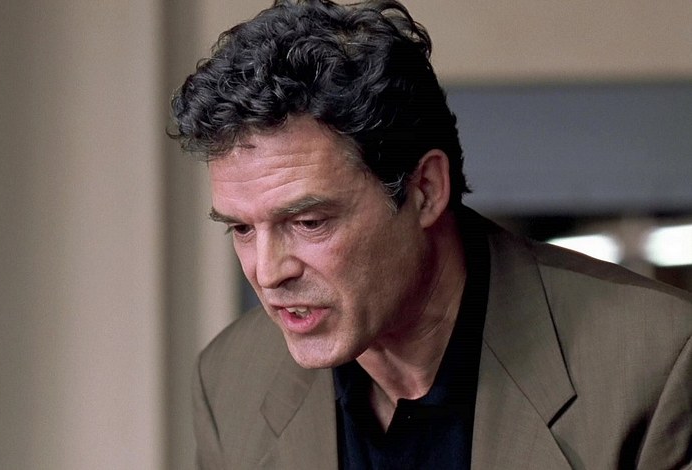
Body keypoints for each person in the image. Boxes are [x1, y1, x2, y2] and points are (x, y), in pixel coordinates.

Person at [169, 1, 692, 468]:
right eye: (242, 228)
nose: (267, 272)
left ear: (425, 189)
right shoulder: (228, 382)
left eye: (309, 222)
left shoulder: (657, 363)